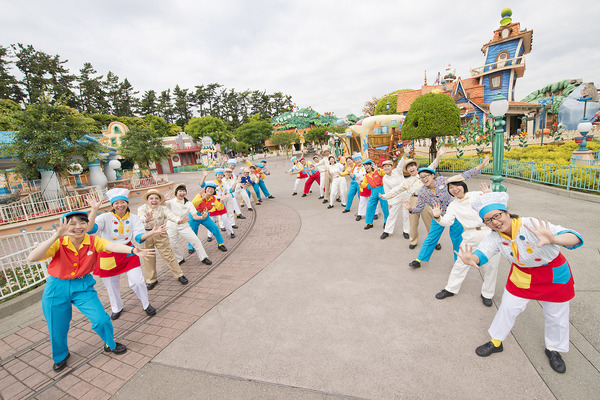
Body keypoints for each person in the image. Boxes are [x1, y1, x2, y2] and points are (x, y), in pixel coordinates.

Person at [457, 191, 583, 374]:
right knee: (508, 308)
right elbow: (482, 252)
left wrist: (554, 239)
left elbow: (574, 237)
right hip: (523, 274)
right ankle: (496, 342)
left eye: (497, 215)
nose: (495, 222)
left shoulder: (530, 224)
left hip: (552, 274)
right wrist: (472, 259)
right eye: (488, 220)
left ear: (507, 213)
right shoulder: (495, 237)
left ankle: (554, 349)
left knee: (556, 315)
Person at [27, 210, 154, 372]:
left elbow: (111, 245)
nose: (78, 227)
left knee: (101, 319)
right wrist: (56, 236)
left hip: (83, 286)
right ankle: (61, 355)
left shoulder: (93, 241)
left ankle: (110, 344)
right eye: (72, 224)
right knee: (57, 326)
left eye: (82, 223)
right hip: (56, 287)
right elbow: (32, 257)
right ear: (64, 226)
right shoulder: (60, 242)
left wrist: (132, 250)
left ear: (88, 225)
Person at [403, 156, 490, 268]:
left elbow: (463, 176)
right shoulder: (422, 192)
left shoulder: (443, 180)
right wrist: (410, 209)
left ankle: (458, 261)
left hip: (454, 214)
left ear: (432, 175)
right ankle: (419, 259)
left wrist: (481, 166)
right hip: (438, 216)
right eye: (421, 177)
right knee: (431, 238)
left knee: (457, 238)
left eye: (426, 176)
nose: (424, 179)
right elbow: (419, 208)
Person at [87, 189, 158, 319]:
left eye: (122, 202)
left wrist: (151, 232)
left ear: (127, 203)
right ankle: (116, 307)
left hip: (128, 251)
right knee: (111, 285)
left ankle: (146, 304)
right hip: (108, 253)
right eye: (116, 203)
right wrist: (93, 210)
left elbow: (138, 237)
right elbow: (90, 229)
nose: (120, 205)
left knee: (138, 281)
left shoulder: (133, 218)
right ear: (112, 205)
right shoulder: (104, 217)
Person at [431, 179, 500, 306]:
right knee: (460, 262)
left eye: (457, 186)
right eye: (451, 187)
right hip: (469, 235)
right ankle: (450, 289)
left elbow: (497, 208)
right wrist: (437, 217)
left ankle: (487, 294)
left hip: (488, 232)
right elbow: (447, 222)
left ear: (463, 186)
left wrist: (490, 197)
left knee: (491, 266)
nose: (455, 189)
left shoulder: (478, 194)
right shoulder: (453, 205)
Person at [381, 151, 443, 249]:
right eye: (408, 167)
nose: (411, 168)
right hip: (414, 199)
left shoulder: (424, 175)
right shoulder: (407, 181)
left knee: (429, 222)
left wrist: (438, 156)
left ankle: (435, 241)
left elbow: (433, 165)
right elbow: (397, 189)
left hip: (425, 199)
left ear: (416, 167)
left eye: (412, 166)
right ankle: (413, 241)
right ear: (407, 170)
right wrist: (386, 196)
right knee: (413, 223)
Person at [138, 189, 189, 290]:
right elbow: (140, 217)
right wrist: (146, 219)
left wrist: (178, 220)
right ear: (147, 200)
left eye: (156, 198)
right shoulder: (142, 208)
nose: (154, 200)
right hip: (146, 234)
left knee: (169, 255)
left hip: (160, 233)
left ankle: (179, 275)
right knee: (148, 257)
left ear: (159, 200)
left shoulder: (163, 208)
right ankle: (151, 280)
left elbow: (171, 215)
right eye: (151, 198)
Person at [164, 183, 212, 266]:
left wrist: (202, 217)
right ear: (176, 193)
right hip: (171, 226)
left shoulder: (188, 203)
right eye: (180, 191)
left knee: (196, 240)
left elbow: (195, 216)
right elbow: (159, 206)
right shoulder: (170, 202)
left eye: (184, 191)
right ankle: (180, 259)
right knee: (172, 244)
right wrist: (164, 200)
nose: (182, 193)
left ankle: (203, 257)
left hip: (183, 226)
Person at [379, 157, 410, 240]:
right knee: (392, 214)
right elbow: (387, 191)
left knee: (406, 214)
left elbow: (401, 163)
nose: (386, 168)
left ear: (391, 166)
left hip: (405, 195)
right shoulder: (385, 178)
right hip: (395, 197)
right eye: (385, 166)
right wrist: (389, 203)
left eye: (388, 166)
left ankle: (406, 231)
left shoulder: (397, 171)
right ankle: (387, 231)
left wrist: (405, 154)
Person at [360, 159, 388, 230]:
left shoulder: (377, 171)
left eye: (367, 165)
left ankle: (387, 222)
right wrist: (360, 184)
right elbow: (364, 184)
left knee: (385, 207)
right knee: (370, 206)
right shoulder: (366, 175)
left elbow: (384, 173)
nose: (366, 167)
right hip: (373, 191)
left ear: (371, 165)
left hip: (381, 190)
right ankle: (369, 223)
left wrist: (378, 169)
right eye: (364, 166)